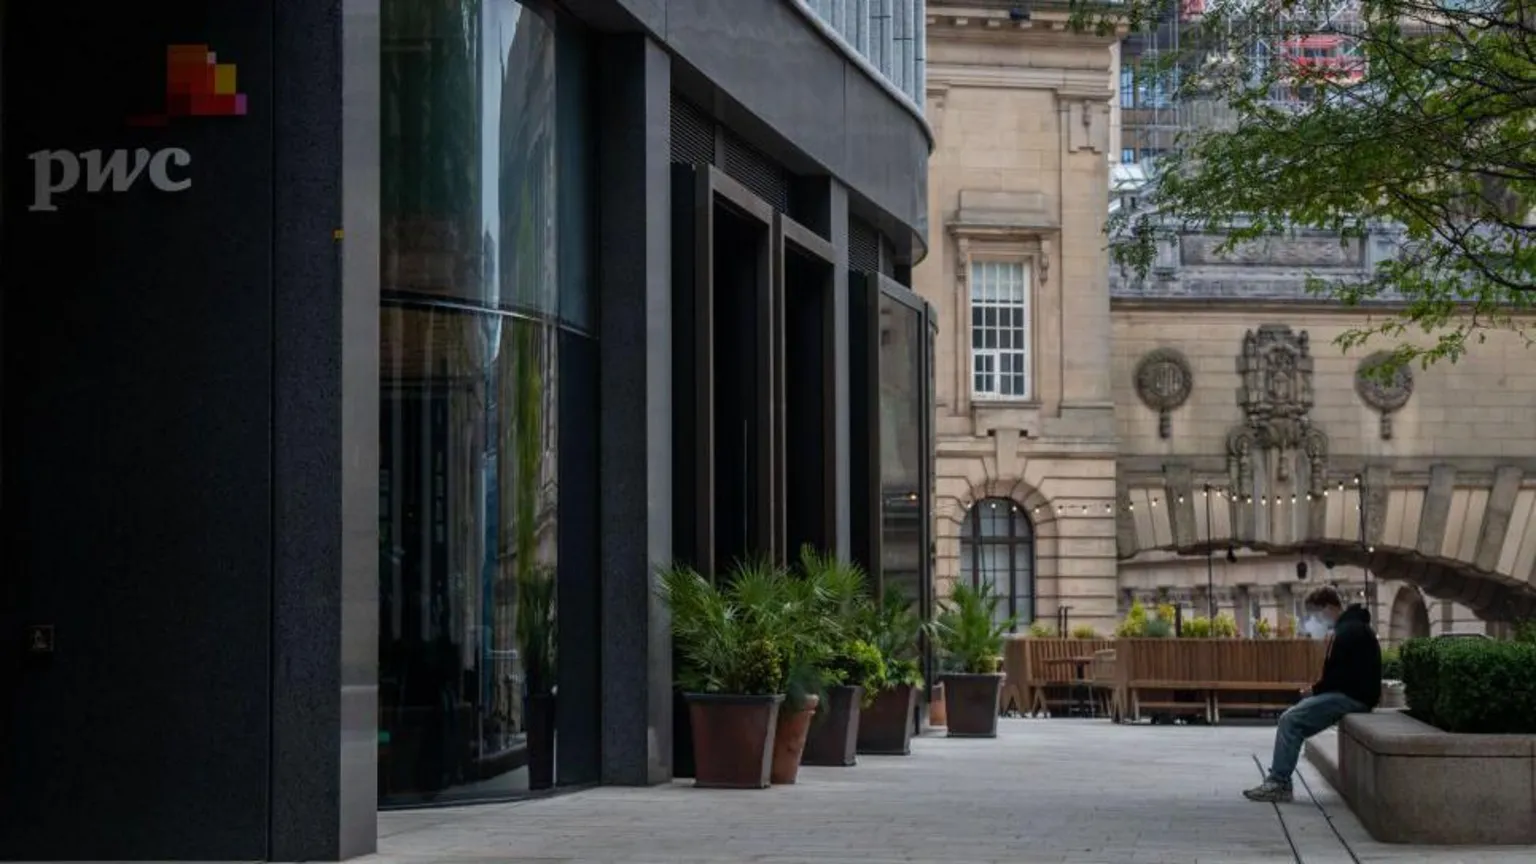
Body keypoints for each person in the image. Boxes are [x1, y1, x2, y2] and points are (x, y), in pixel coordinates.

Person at [1244, 585, 1380, 803]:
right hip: (1355, 694)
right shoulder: (1352, 628)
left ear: (1328, 607)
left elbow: (1340, 675)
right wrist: (1317, 689)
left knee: (1290, 720)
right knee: (1294, 717)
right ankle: (1279, 780)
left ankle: (1279, 782)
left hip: (1352, 697)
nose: (1314, 620)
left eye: (1315, 613)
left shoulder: (1348, 631)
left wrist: (1315, 690)